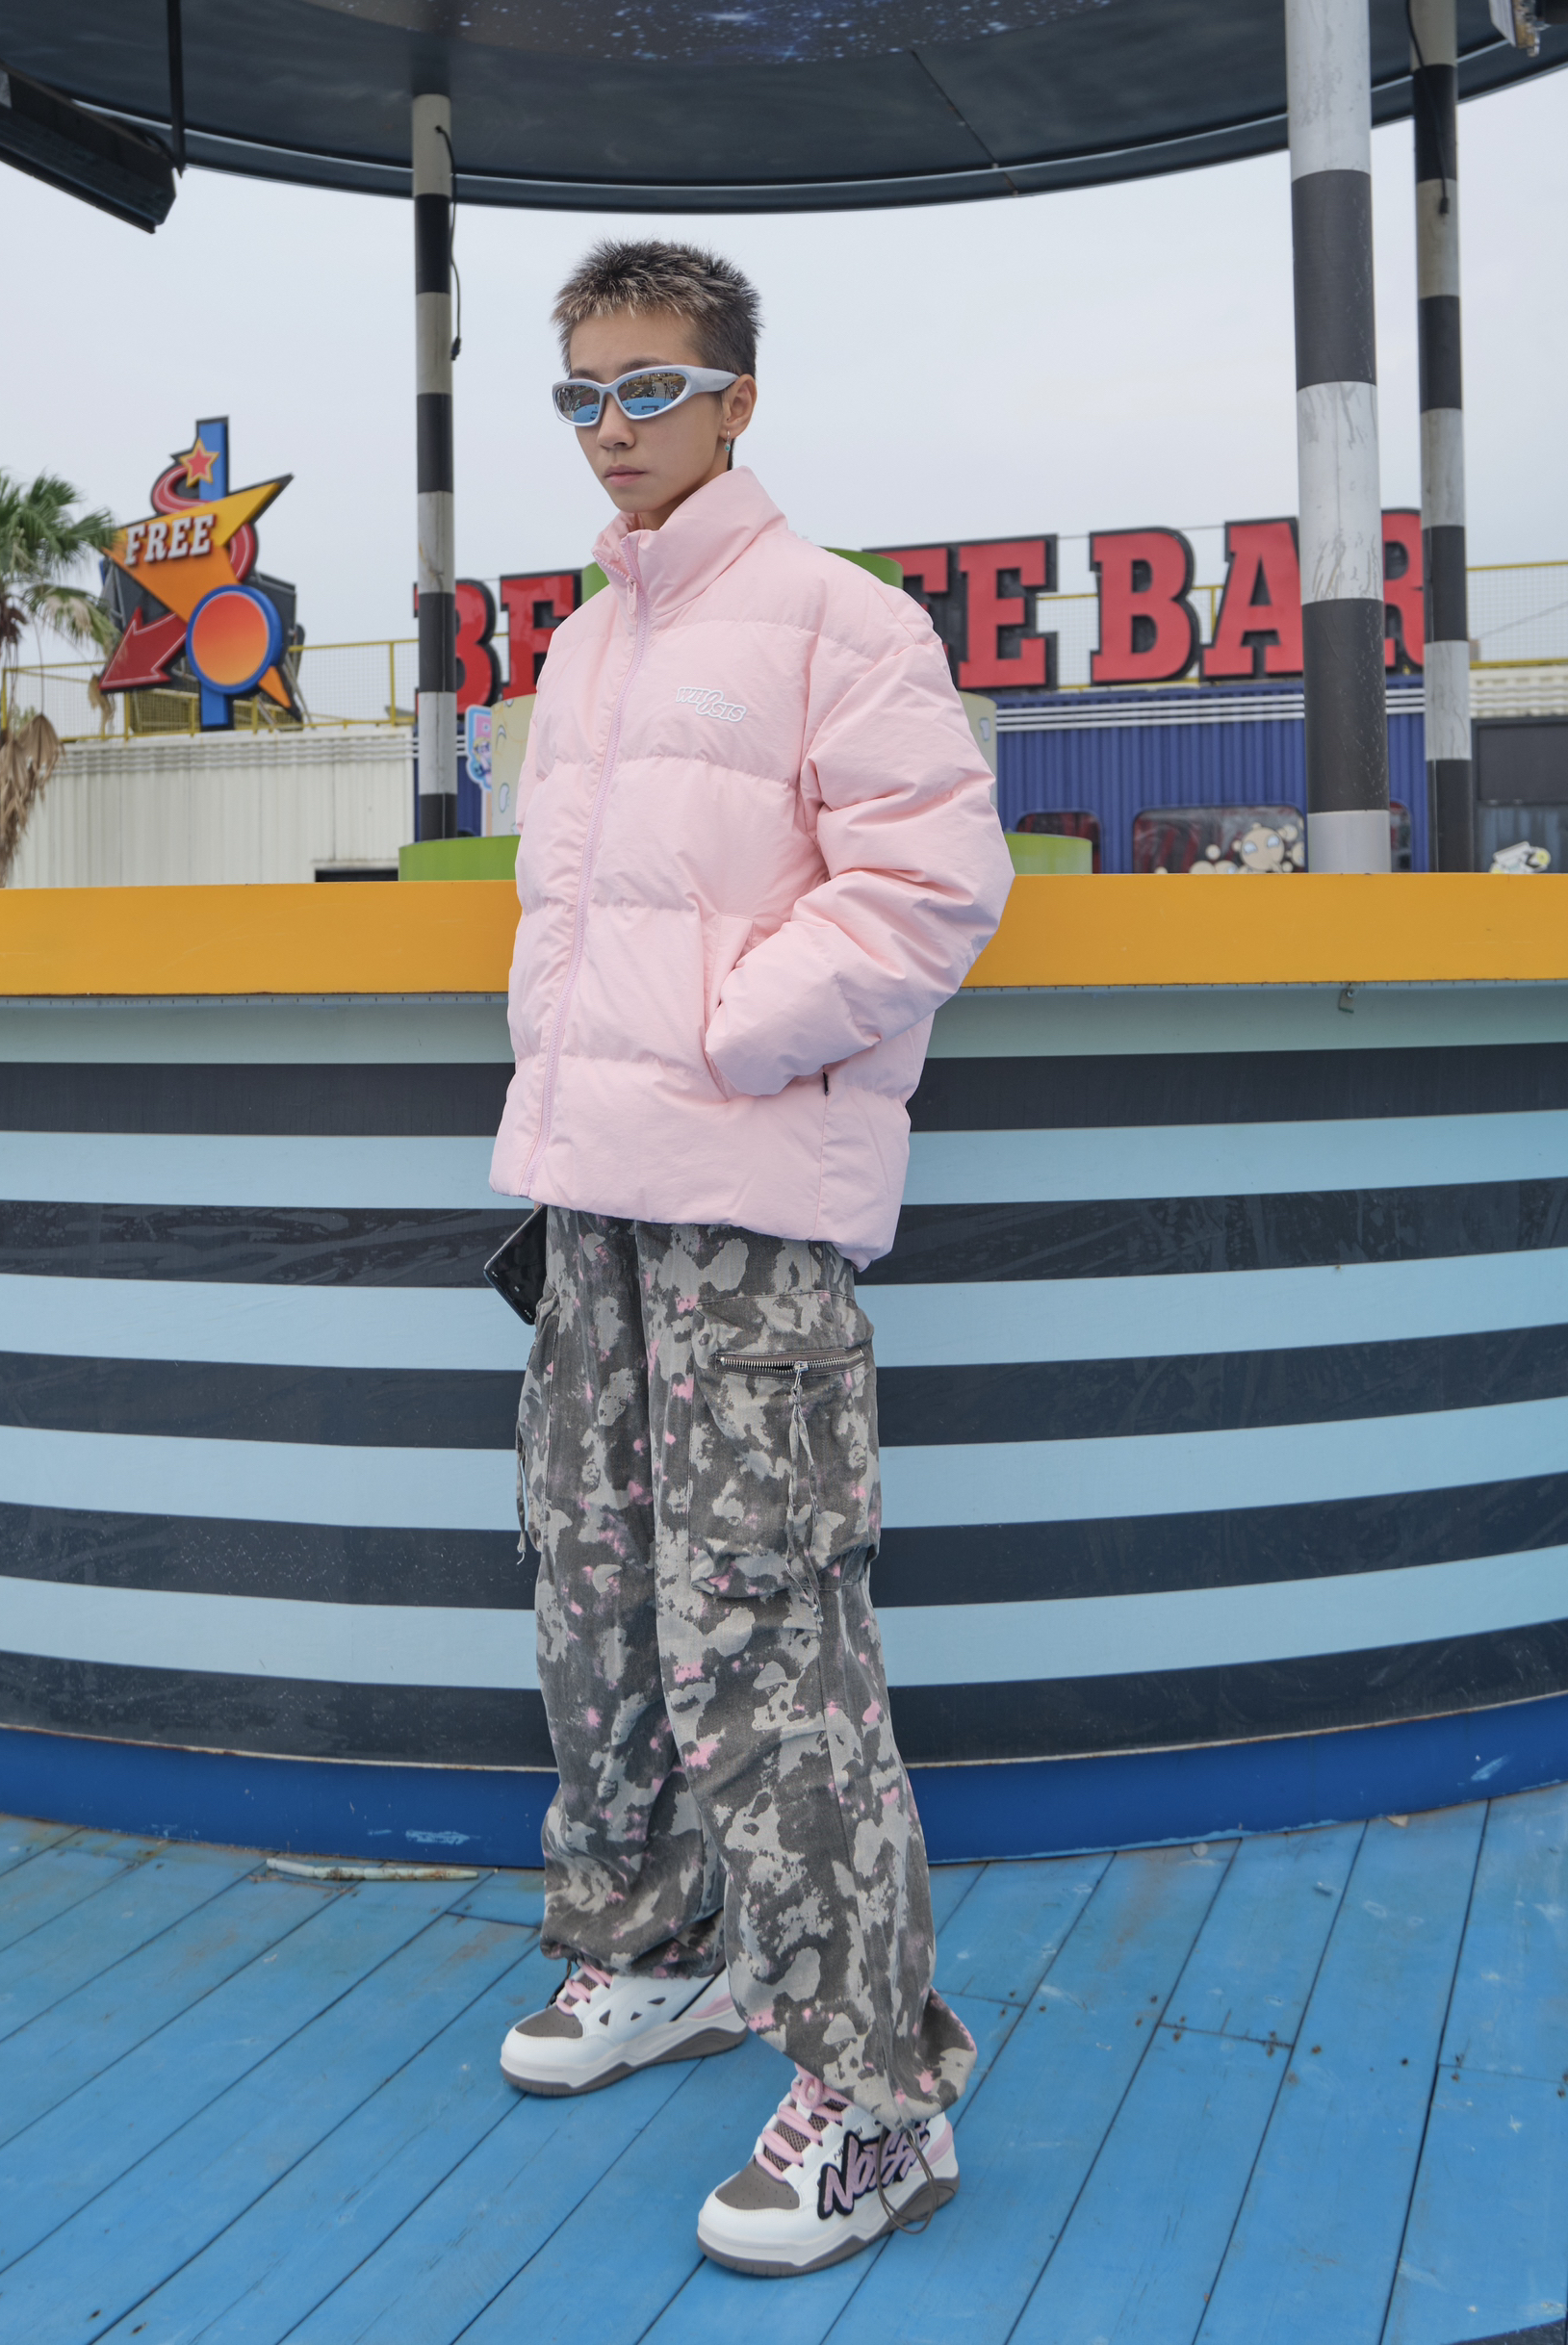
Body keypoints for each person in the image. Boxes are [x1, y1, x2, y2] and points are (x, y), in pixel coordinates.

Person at [491, 238, 1013, 2279]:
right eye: (581, 394)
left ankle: (878, 2099)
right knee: (594, 1597)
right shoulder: (581, 649)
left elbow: (928, 883)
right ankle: (658, 1950)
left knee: (766, 1636)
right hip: (589, 1207)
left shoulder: (839, 620)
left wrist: (726, 1038)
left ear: (735, 398)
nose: (611, 429)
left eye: (648, 388)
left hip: (747, 1221)